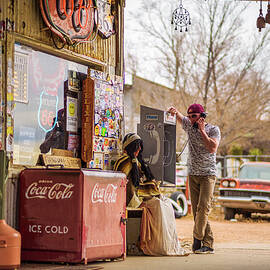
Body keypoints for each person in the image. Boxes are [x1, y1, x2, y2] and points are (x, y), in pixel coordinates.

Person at [114, 133, 188, 256]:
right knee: (158, 206)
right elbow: (125, 184)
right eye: (137, 147)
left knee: (167, 204)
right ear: (132, 148)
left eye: (140, 147)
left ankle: (167, 244)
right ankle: (156, 245)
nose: (139, 150)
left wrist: (152, 188)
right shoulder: (125, 161)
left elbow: (142, 180)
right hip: (132, 198)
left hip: (141, 196)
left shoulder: (137, 161)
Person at [168, 104, 221, 254]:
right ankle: (208, 243)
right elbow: (180, 117)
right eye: (189, 116)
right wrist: (174, 111)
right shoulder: (188, 124)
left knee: (203, 208)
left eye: (194, 116)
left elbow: (212, 148)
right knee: (197, 212)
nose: (190, 119)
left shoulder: (213, 130)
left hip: (208, 175)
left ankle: (197, 241)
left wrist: (202, 131)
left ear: (202, 116)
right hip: (193, 174)